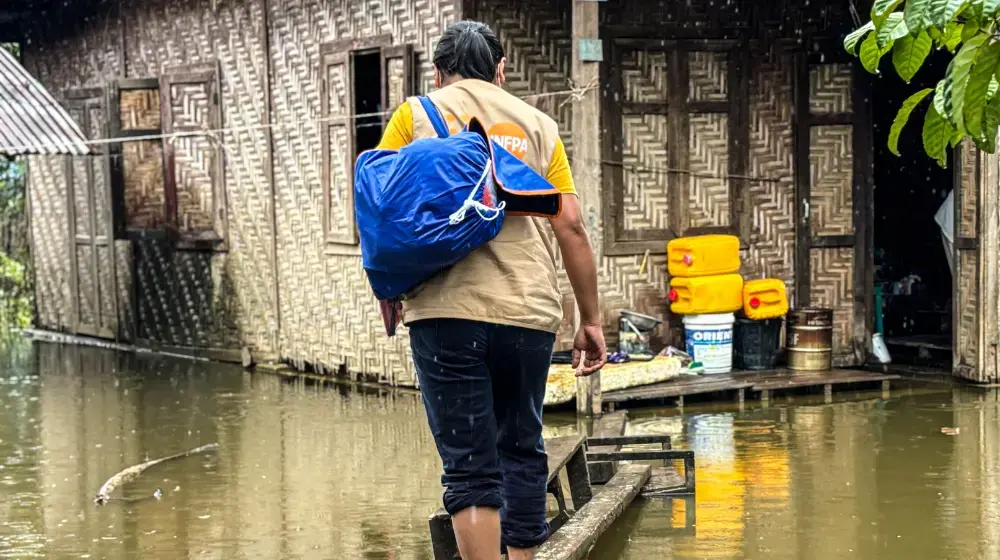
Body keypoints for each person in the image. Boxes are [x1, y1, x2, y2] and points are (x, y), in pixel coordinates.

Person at [375, 20, 607, 560]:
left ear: (437, 71)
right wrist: (590, 320)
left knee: (469, 462)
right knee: (522, 447)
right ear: (501, 70)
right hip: (528, 312)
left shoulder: (415, 115)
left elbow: (380, 207)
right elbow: (570, 225)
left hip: (445, 311)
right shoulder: (538, 125)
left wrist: (386, 285)